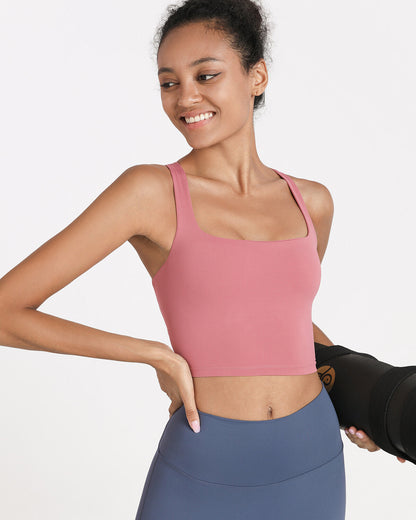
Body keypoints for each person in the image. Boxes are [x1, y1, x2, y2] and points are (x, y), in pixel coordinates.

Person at [0, 0, 403, 518]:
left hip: (312, 457)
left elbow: (283, 323)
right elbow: (7, 310)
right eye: (169, 82)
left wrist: (361, 401)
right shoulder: (150, 193)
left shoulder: (312, 202)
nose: (185, 97)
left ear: (256, 76)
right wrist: (154, 355)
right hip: (203, 459)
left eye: (206, 75)